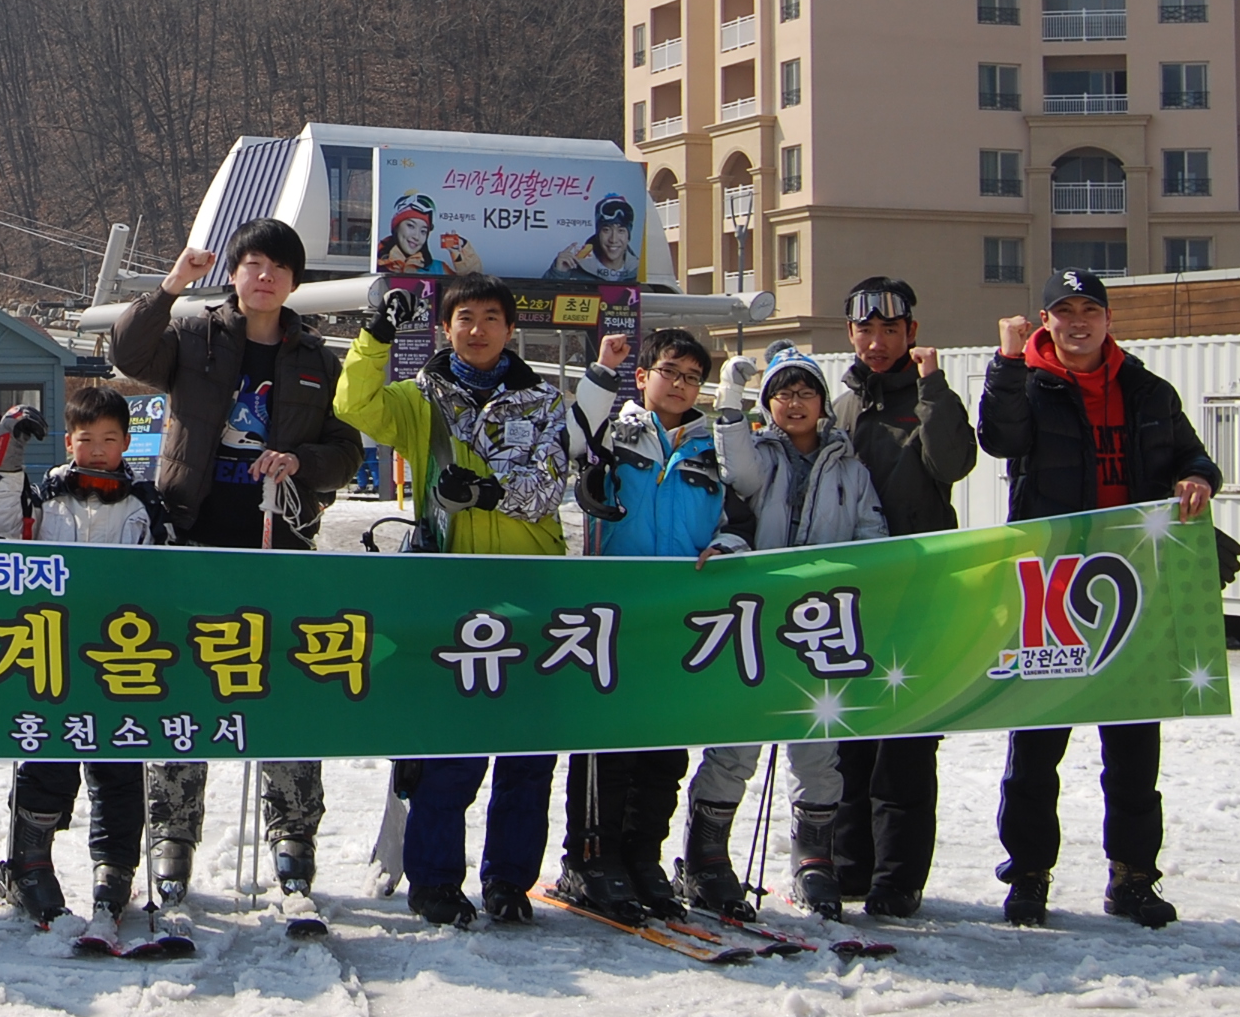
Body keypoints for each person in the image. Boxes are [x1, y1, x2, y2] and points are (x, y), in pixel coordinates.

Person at [108, 218, 361, 922]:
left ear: (294, 281)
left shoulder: (318, 360)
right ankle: (172, 835)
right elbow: (128, 351)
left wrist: (301, 462)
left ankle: (293, 837)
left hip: (280, 549)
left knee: (283, 690)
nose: (264, 277)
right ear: (235, 274)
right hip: (191, 536)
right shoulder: (195, 335)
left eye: (278, 267)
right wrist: (170, 286)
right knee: (185, 687)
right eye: (253, 264)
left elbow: (345, 450)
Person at [333, 272, 590, 929]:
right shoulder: (421, 399)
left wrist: (486, 494)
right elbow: (354, 405)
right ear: (445, 328)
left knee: (527, 752)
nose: (477, 330)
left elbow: (548, 483)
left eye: (490, 318)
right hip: (450, 592)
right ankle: (436, 881)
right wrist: (376, 333)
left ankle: (508, 881)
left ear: (511, 329)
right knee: (450, 747)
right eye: (464, 318)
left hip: (531, 591)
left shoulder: (545, 401)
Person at [978, 269, 1219, 930]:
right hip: (1053, 590)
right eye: (1065, 311)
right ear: (1046, 321)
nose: (1078, 321)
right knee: (1036, 750)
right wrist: (1006, 362)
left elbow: (1195, 458)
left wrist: (1196, 479)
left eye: (1090, 309)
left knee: (1134, 751)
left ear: (1109, 320)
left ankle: (1133, 878)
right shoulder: (1027, 384)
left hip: (1137, 586)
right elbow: (998, 439)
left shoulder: (1148, 390)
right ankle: (1028, 876)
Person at [679, 345, 889, 924]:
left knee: (818, 746)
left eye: (805, 393)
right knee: (738, 740)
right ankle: (705, 857)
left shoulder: (850, 466)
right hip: (758, 617)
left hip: (821, 622)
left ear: (823, 402)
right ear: (768, 404)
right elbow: (737, 476)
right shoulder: (760, 454)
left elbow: (872, 533)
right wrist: (730, 397)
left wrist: (858, 574)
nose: (795, 404)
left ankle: (814, 860)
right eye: (783, 394)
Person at [0, 384, 176, 940]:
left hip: (121, 656)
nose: (97, 450)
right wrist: (8, 462)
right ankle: (28, 865)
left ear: (127, 442)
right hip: (54, 649)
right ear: (69, 441)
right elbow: (4, 534)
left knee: (118, 765)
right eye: (86, 439)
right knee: (48, 757)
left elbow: (168, 572)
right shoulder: (46, 494)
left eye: (109, 439)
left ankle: (114, 869)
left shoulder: (145, 504)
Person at [557, 326, 724, 923]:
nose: (679, 385)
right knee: (609, 742)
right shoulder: (615, 429)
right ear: (644, 375)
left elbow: (740, 512)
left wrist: (730, 543)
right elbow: (573, 438)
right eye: (669, 372)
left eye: (691, 377)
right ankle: (591, 857)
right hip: (615, 609)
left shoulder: (713, 447)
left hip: (683, 612)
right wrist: (601, 373)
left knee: (664, 747)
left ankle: (642, 856)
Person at [825, 276, 978, 916]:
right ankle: (849, 868)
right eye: (866, 330)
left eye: (891, 329)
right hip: (850, 601)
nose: (877, 342)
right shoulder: (839, 407)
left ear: (912, 333)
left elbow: (954, 464)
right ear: (850, 334)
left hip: (920, 595)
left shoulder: (930, 398)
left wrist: (934, 386)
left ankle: (897, 878)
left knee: (907, 745)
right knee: (848, 739)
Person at [546, 194, 641, 281]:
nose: (613, 239)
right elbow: (546, 294)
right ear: (598, 234)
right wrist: (558, 274)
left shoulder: (639, 269)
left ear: (628, 236)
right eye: (606, 230)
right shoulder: (575, 265)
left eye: (621, 231)